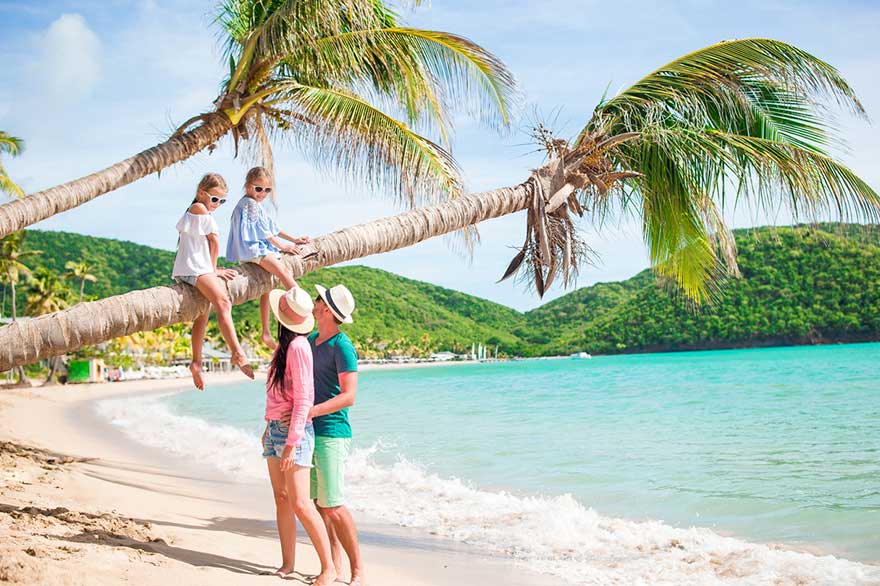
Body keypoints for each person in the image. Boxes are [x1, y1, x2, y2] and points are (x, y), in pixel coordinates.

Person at [263, 285, 336, 584]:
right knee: (281, 499)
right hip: (274, 430)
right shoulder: (284, 347)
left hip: (294, 434)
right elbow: (277, 394)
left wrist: (292, 443)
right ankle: (287, 564)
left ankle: (329, 568)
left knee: (301, 504)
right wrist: (268, 428)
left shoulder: (298, 347)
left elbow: (305, 398)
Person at [171, 172, 254, 390]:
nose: (217, 204)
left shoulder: (197, 211)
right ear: (201, 193)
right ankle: (237, 352)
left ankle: (196, 362)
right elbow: (214, 241)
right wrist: (213, 270)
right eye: (214, 199)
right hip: (196, 269)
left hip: (191, 268)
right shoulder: (199, 209)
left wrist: (211, 269)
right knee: (224, 303)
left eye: (221, 201)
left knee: (203, 313)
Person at [308, 284, 363, 586]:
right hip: (309, 430)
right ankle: (334, 565)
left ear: (327, 310)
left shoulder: (343, 345)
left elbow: (350, 396)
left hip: (332, 431)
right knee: (319, 502)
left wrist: (313, 411)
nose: (314, 303)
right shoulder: (312, 340)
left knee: (333, 504)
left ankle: (358, 571)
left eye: (318, 300)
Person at [226, 166, 310, 350]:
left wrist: (294, 239)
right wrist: (284, 246)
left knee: (267, 286)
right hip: (253, 249)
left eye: (267, 190)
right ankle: (304, 315)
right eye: (258, 189)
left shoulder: (255, 205)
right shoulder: (248, 203)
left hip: (253, 250)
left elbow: (273, 227)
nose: (262, 193)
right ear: (248, 186)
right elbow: (265, 232)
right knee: (284, 273)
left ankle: (266, 332)